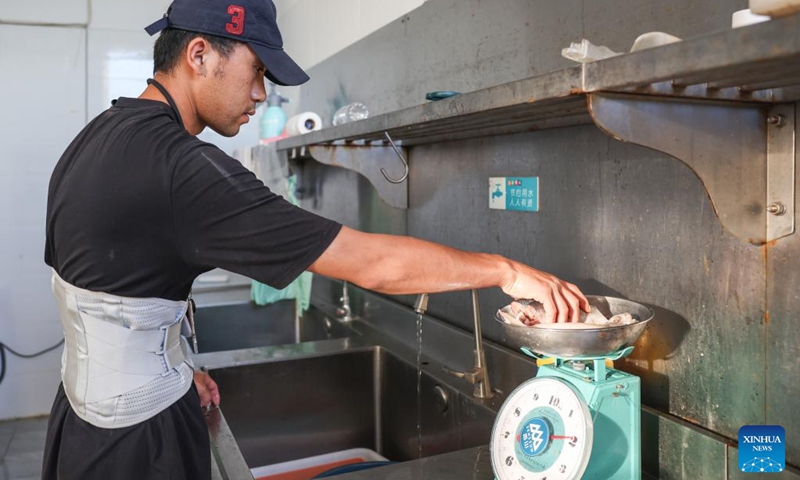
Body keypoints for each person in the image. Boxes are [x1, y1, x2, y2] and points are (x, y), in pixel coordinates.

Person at [41, 0, 589, 478]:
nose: (259, 94)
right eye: (255, 70)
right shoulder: (186, 169)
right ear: (200, 54)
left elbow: (106, 295)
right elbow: (370, 263)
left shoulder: (96, 136)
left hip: (78, 426)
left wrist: (174, 365)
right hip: (140, 445)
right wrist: (506, 272)